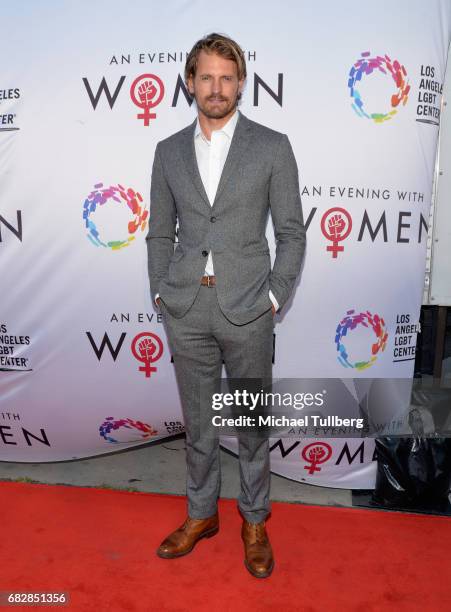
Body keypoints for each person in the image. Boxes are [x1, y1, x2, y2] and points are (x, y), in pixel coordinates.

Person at [146, 32, 306, 578]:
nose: (216, 88)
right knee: (198, 425)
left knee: (252, 424)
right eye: (206, 77)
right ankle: (201, 515)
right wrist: (162, 293)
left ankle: (255, 521)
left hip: (248, 308)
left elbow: (292, 233)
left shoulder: (271, 146)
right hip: (187, 306)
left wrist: (274, 296)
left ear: (241, 83)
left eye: (227, 78)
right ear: (190, 82)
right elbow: (157, 234)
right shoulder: (167, 151)